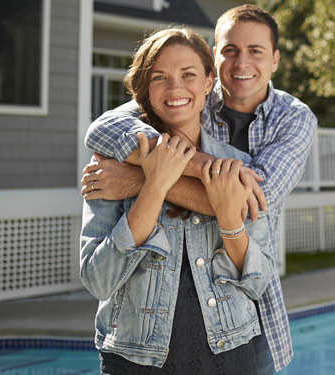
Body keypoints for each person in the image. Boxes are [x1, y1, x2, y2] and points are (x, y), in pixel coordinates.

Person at [80, 4, 317, 373]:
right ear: (216, 64)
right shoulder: (185, 98)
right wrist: (196, 168)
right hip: (140, 346)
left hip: (245, 321)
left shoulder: (294, 118)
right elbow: (102, 128)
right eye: (230, 50)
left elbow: (255, 202)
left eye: (255, 51)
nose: (241, 63)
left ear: (275, 60)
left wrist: (145, 178)